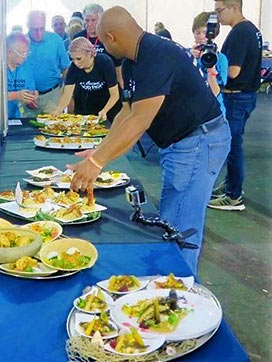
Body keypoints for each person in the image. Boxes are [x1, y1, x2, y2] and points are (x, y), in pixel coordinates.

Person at [67, 6, 231, 273]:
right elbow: (126, 112)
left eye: (101, 41)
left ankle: (178, 288)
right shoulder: (133, 61)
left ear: (110, 37)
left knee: (178, 224)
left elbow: (140, 120)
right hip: (181, 141)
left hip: (199, 140)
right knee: (171, 215)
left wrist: (97, 163)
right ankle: (169, 279)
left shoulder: (157, 54)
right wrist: (100, 150)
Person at [208, 0, 262, 211]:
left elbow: (232, 72)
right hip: (246, 96)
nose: (217, 16)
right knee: (234, 145)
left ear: (233, 7)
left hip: (237, 98)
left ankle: (233, 196)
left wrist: (213, 66)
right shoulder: (252, 30)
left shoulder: (240, 32)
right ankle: (232, 185)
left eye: (219, 10)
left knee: (232, 147)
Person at [52, 37, 121, 121]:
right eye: (72, 59)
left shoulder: (105, 62)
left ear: (89, 54)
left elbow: (115, 94)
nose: (76, 63)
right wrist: (58, 110)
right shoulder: (73, 68)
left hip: (110, 106)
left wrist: (104, 111)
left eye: (78, 59)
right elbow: (67, 94)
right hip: (88, 106)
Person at [22, 10, 70, 116]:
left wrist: (68, 94)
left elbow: (66, 69)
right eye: (34, 29)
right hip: (27, 96)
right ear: (27, 26)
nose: (38, 33)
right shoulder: (21, 42)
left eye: (41, 28)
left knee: (54, 129)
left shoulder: (56, 40)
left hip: (52, 95)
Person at [190, 11, 228, 115]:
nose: (202, 36)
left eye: (205, 32)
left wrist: (211, 69)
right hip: (192, 111)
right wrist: (190, 59)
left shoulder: (220, 59)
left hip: (215, 111)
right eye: (197, 33)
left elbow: (216, 92)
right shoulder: (186, 55)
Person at [74, 4, 123, 85]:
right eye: (87, 20)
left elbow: (118, 67)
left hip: (107, 84)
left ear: (101, 20)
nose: (89, 24)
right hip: (85, 85)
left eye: (93, 20)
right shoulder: (78, 37)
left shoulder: (109, 37)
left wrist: (121, 87)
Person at [6, 32, 38, 118]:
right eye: (22, 54)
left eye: (27, 53)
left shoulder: (27, 67)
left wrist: (32, 98)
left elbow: (31, 91)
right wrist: (16, 95)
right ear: (9, 53)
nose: (25, 57)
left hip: (19, 117)